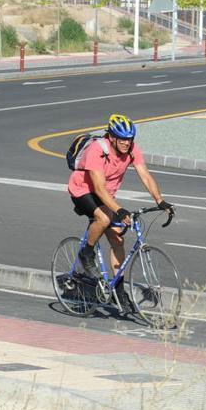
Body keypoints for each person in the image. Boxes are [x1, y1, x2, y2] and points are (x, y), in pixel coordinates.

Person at [67, 114, 175, 309]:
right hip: (83, 190)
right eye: (122, 139)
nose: (127, 143)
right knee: (103, 217)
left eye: (130, 139)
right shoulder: (97, 150)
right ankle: (86, 253)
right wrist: (119, 210)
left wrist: (160, 200)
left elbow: (146, 175)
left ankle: (118, 288)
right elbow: (98, 189)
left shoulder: (132, 149)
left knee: (118, 239)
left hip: (105, 195)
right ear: (112, 137)